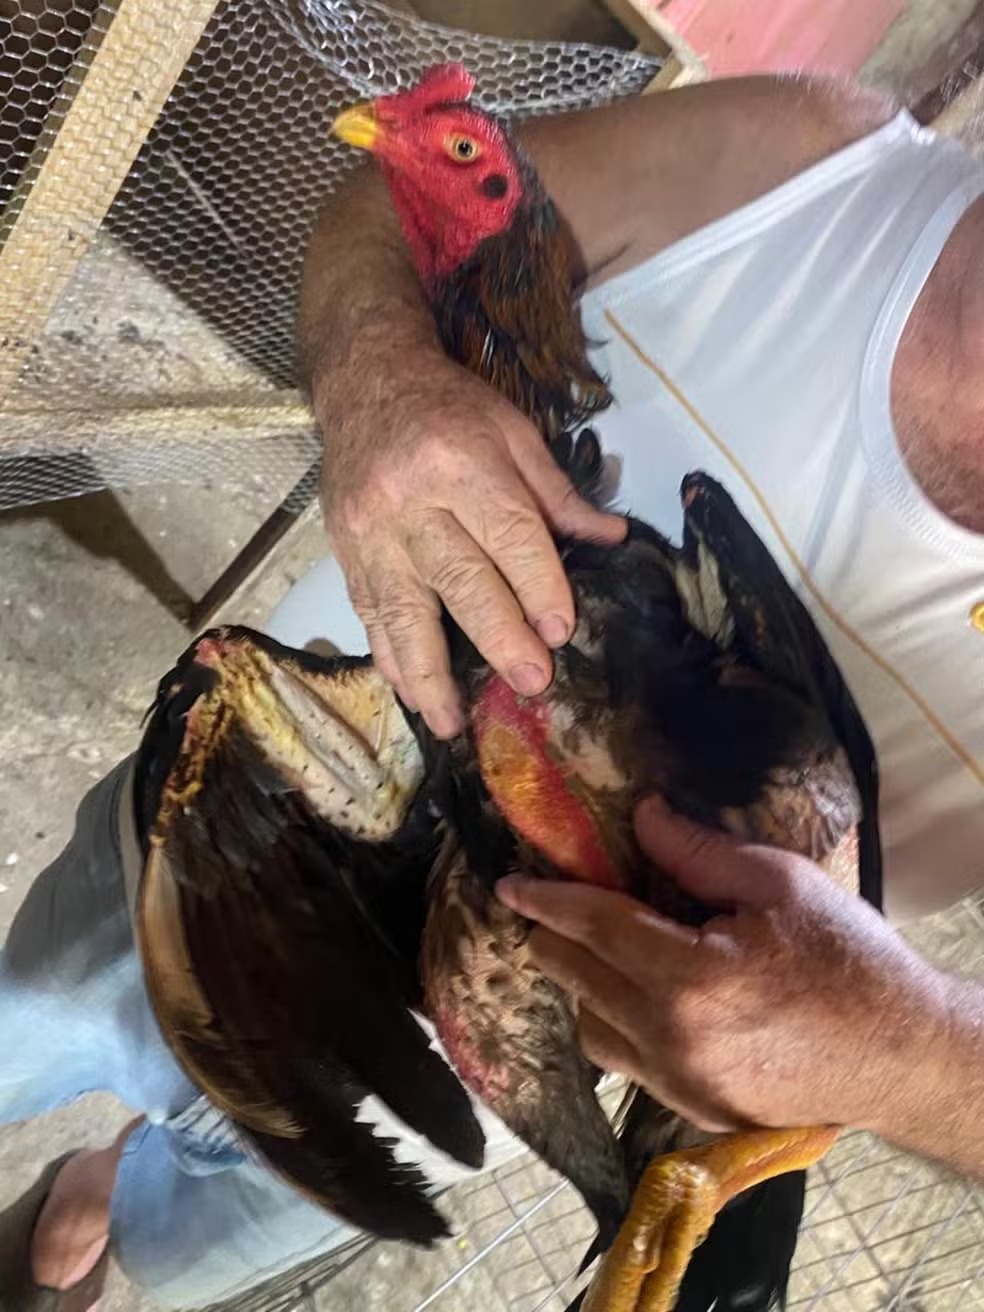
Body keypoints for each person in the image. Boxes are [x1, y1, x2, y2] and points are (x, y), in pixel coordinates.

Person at [1, 72, 983, 1310]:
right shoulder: (811, 159)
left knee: (181, 1240)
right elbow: (401, 193)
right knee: (31, 1022)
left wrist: (910, 1058)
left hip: (469, 1059)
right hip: (221, 839)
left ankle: (100, 1191)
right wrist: (376, 374)